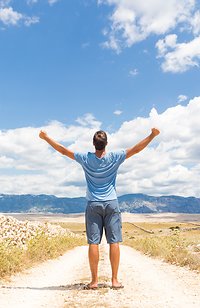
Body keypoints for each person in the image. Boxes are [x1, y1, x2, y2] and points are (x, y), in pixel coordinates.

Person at [39, 127, 160, 289]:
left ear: (93, 144)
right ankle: (115, 280)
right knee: (114, 241)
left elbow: (63, 150)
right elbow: (136, 149)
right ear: (106, 144)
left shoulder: (85, 158)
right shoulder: (115, 157)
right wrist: (152, 135)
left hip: (93, 204)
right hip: (111, 203)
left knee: (94, 243)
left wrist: (46, 137)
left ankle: (94, 281)